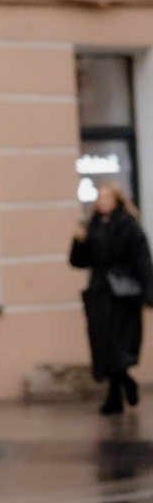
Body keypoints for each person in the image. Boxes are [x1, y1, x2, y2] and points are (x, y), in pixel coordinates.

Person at [71, 177, 153, 417]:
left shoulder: (129, 226)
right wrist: (79, 242)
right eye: (100, 197)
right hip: (100, 293)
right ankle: (124, 385)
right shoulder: (93, 226)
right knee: (103, 345)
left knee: (118, 345)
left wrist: (149, 292)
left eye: (107, 197)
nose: (102, 202)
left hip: (123, 293)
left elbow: (143, 261)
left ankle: (115, 395)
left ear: (117, 200)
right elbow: (79, 261)